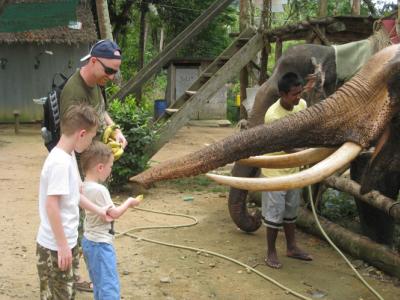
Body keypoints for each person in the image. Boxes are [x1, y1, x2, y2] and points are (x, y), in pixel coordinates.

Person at [60, 39, 127, 291]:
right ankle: (73, 274)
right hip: (78, 164)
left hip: (93, 161)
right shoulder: (73, 91)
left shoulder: (97, 83)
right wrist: (98, 157)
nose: (111, 76)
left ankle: (89, 266)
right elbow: (72, 135)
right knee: (75, 218)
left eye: (115, 72)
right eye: (109, 70)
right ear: (93, 62)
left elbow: (101, 113)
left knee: (91, 217)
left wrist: (115, 131)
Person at [36, 104, 113, 299]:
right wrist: (62, 245)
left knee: (67, 293)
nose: (90, 142)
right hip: (54, 246)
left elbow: (74, 195)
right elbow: (51, 205)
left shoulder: (68, 155)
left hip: (64, 242)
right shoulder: (60, 162)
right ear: (82, 134)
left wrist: (99, 210)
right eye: (91, 137)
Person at [261, 72, 313, 269]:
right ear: (282, 94)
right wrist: (307, 153)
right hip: (275, 171)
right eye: (294, 94)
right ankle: (271, 252)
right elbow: (285, 146)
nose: (298, 97)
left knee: (291, 211)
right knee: (274, 214)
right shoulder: (272, 115)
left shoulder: (302, 105)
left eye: (300, 92)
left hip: (294, 170)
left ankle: (292, 247)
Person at [80, 141, 142, 299]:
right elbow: (113, 213)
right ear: (100, 167)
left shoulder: (82, 186)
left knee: (99, 284)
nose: (111, 170)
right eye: (110, 167)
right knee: (109, 286)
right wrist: (129, 202)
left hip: (88, 242)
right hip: (100, 244)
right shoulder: (100, 190)